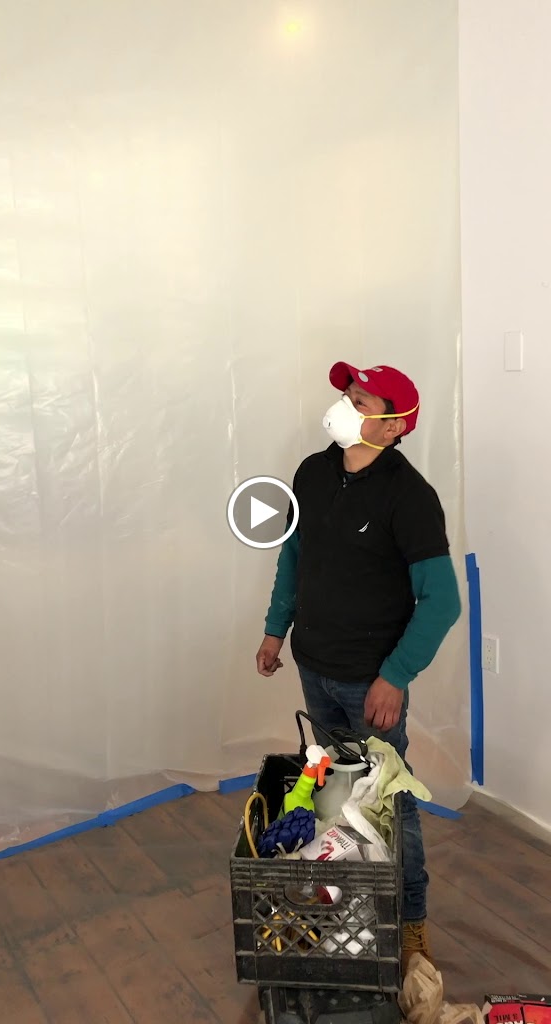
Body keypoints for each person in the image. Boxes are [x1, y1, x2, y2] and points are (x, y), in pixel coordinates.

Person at [255, 360, 461, 974]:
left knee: (389, 801)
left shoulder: (410, 497)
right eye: (347, 392)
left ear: (395, 426)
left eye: (362, 400)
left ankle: (411, 921)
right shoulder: (312, 473)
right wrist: (275, 630)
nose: (346, 403)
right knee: (334, 792)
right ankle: (345, 904)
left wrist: (394, 676)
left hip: (369, 681)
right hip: (313, 665)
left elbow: (442, 601)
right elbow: (293, 556)